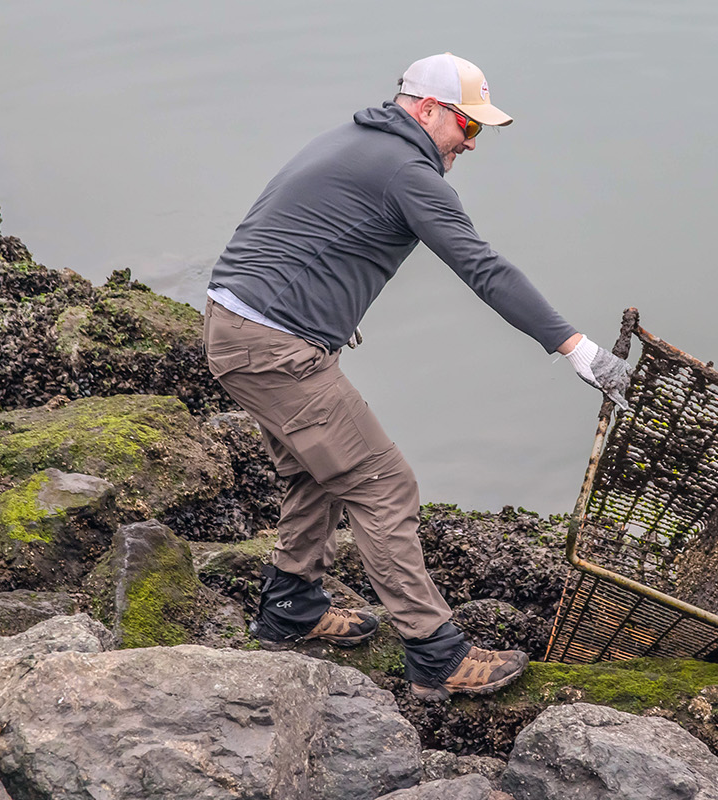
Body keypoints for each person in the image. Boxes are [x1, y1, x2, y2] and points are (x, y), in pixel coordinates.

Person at [202, 52, 631, 701]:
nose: (470, 142)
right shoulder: (407, 170)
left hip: (238, 328)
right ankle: (436, 654)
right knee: (381, 483)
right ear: (428, 108)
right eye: (469, 125)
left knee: (317, 469)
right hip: (273, 347)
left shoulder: (356, 141)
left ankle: (290, 607)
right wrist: (579, 349)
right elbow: (483, 269)